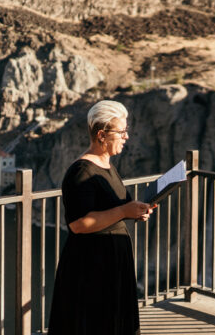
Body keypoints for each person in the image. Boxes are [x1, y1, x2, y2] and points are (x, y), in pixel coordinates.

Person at [48, 100, 153, 335]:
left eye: (126, 130)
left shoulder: (107, 166)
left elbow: (114, 208)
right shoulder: (81, 172)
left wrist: (135, 211)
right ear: (102, 135)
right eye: (121, 131)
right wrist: (124, 212)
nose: (126, 136)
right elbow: (78, 224)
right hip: (92, 268)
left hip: (111, 264)